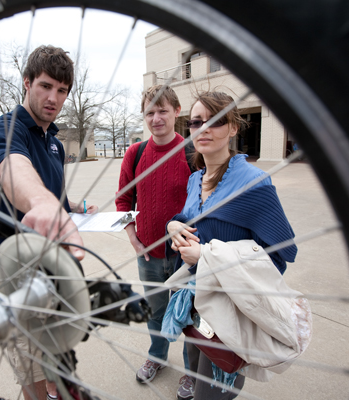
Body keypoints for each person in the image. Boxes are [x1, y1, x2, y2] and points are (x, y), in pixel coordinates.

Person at [0, 45, 97, 400]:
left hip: (52, 263)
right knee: (31, 370)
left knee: (60, 358)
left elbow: (52, 190)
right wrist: (43, 203)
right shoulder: (5, 129)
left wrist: (69, 205)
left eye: (62, 90)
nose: (53, 98)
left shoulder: (55, 144)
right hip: (16, 267)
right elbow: (15, 169)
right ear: (27, 82)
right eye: (45, 86)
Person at [166, 91, 297, 398]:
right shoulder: (195, 179)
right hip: (197, 304)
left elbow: (281, 255)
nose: (203, 129)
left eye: (214, 121)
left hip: (229, 311)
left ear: (234, 128)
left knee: (213, 393)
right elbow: (190, 217)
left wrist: (208, 256)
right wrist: (175, 224)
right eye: (196, 122)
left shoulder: (253, 182)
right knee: (196, 376)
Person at [115, 85, 195, 399]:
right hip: (148, 256)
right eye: (150, 112)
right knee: (155, 312)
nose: (156, 118)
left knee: (190, 316)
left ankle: (191, 373)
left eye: (163, 110)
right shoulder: (135, 153)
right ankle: (157, 356)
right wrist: (133, 238)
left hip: (185, 256)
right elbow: (123, 201)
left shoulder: (192, 151)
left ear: (177, 111)